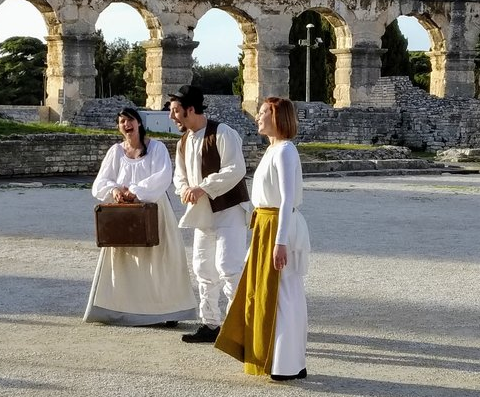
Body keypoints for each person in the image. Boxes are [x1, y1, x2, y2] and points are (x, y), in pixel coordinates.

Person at [214, 97, 311, 381]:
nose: (258, 117)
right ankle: (281, 358)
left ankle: (287, 362)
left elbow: (286, 199)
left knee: (283, 291)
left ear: (277, 116)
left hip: (278, 226)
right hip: (266, 225)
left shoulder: (285, 151)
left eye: (263, 112)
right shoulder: (272, 150)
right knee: (270, 291)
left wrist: (280, 241)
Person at [84, 107, 197, 326]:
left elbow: (163, 176)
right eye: (121, 121)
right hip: (125, 214)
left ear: (139, 122)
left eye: (129, 120)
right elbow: (100, 182)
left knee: (160, 262)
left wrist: (136, 190)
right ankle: (122, 310)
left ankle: (166, 312)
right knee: (126, 263)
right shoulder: (115, 152)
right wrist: (115, 190)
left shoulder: (157, 148)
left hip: (154, 210)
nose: (126, 125)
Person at [168, 85, 251, 343]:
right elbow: (179, 176)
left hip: (229, 210)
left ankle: (240, 326)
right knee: (203, 267)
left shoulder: (223, 133)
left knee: (229, 266)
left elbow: (235, 169)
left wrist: (203, 187)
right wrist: (185, 190)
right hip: (203, 214)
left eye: (175, 111)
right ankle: (210, 323)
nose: (172, 117)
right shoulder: (183, 142)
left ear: (190, 110)